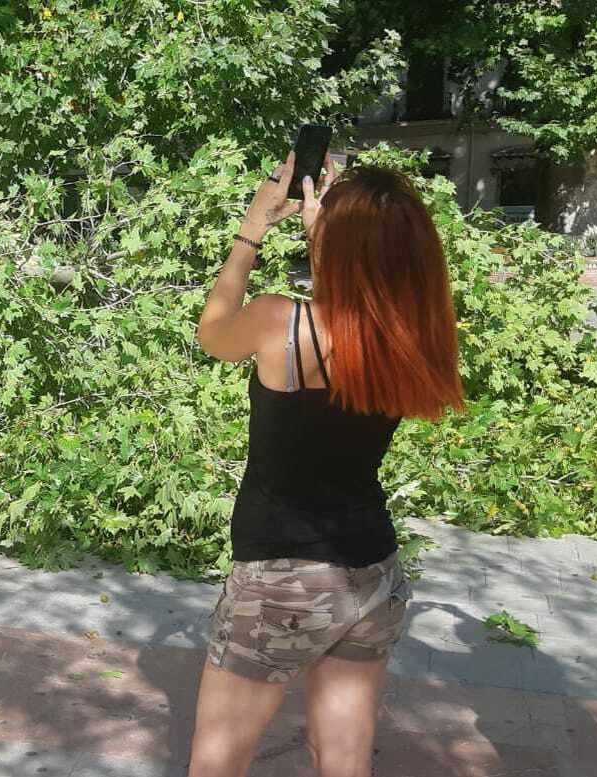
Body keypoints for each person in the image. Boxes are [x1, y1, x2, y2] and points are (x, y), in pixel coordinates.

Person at [190, 153, 464, 777]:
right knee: (341, 763)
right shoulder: (412, 335)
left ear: (335, 243)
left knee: (217, 766)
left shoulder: (279, 322)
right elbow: (358, 287)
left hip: (278, 579)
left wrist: (253, 228)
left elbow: (211, 332)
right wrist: (333, 227)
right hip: (371, 575)